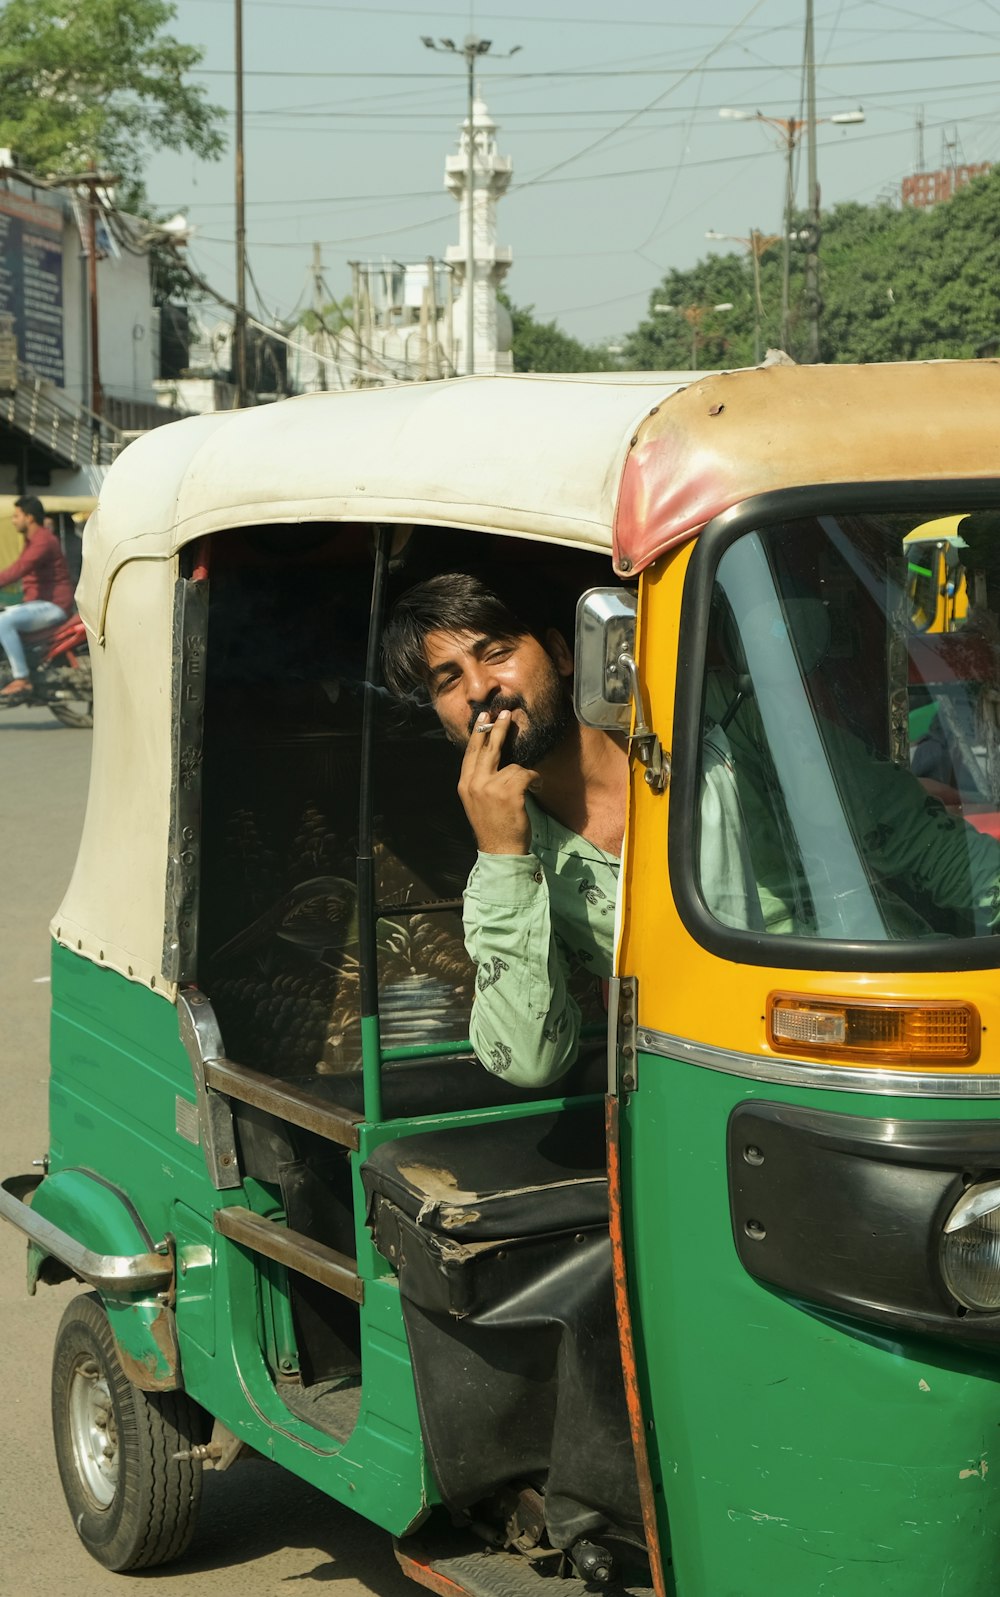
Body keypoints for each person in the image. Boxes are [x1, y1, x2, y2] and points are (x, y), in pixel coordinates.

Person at [381, 571, 754, 1088]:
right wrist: (503, 856)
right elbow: (529, 1062)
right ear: (443, 718)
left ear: (560, 653)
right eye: (447, 680)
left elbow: (899, 844)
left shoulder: (715, 725)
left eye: (496, 654)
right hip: (700, 1083)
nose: (478, 689)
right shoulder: (509, 871)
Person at [0, 496, 75, 701]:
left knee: (3, 621)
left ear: (29, 517)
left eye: (17, 516)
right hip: (38, 603)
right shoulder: (33, 539)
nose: (13, 520)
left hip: (53, 606)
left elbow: (20, 569)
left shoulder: (42, 540)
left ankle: (22, 678)